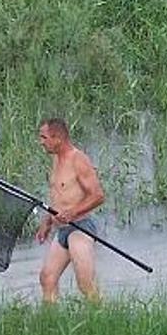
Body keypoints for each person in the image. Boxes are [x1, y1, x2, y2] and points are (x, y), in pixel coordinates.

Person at [35, 118, 104, 303]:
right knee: (47, 278)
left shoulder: (78, 159)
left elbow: (97, 195)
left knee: (85, 284)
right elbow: (59, 196)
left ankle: (100, 318)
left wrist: (72, 213)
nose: (41, 142)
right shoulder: (56, 159)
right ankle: (50, 323)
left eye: (44, 137)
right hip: (62, 230)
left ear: (57, 138)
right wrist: (47, 221)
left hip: (80, 228)